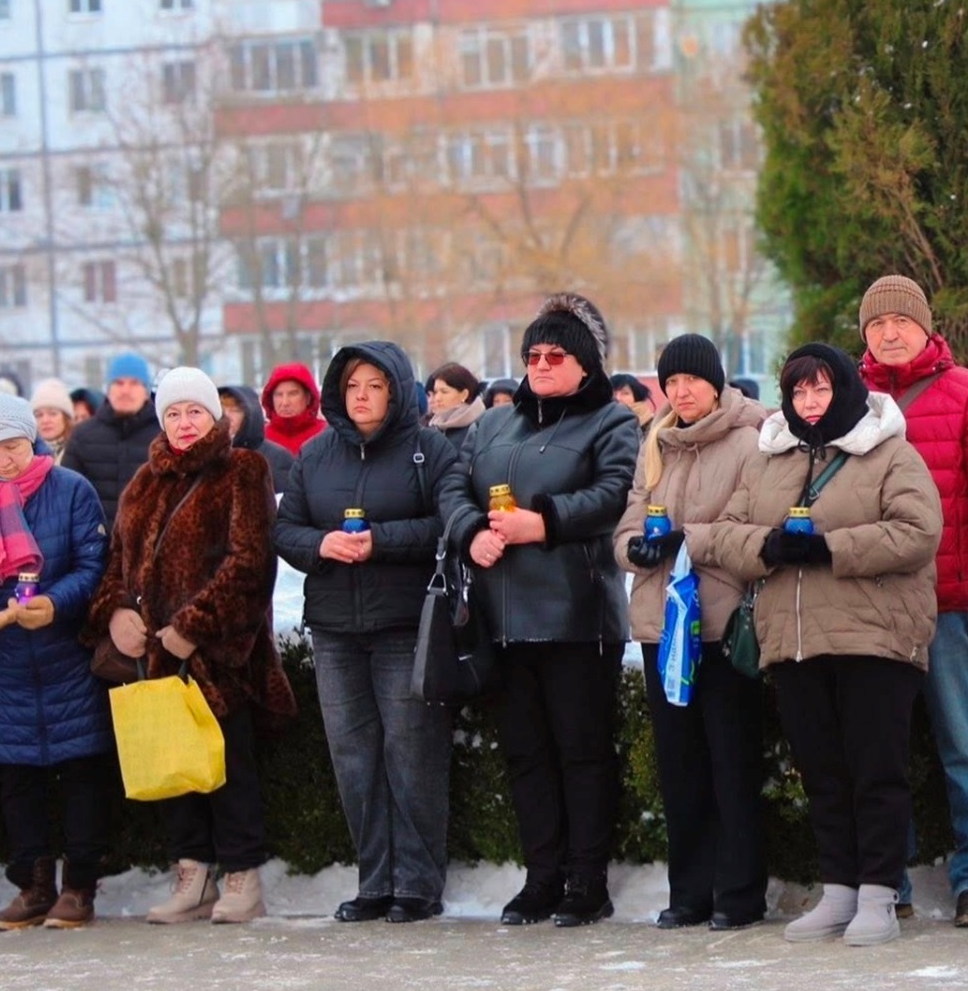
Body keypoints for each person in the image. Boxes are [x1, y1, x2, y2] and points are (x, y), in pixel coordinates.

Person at [705, 344, 942, 947]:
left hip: (874, 635)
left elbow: (919, 532)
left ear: (845, 391)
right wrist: (767, 545)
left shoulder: (890, 450)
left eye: (821, 388)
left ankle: (880, 895)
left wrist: (830, 548)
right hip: (794, 639)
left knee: (876, 769)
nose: (809, 402)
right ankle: (839, 889)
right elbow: (726, 532)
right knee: (822, 770)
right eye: (799, 391)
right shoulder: (768, 458)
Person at [439, 294, 638, 929]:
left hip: (577, 614)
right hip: (502, 614)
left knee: (582, 751)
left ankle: (587, 879)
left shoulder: (611, 420)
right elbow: (453, 484)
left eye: (556, 356)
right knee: (525, 754)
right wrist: (471, 530)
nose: (542, 366)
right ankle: (541, 875)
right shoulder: (495, 423)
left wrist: (543, 522)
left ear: (585, 363)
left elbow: (615, 492)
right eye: (533, 356)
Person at [85, 369, 293, 925]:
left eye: (195, 411)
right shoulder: (143, 482)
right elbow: (115, 563)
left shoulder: (243, 469)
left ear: (215, 416)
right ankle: (192, 875)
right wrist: (116, 613)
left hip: (220, 654)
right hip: (153, 657)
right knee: (172, 767)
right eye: (173, 413)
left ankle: (243, 877)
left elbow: (251, 564)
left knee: (229, 768)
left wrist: (193, 626)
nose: (184, 423)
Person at [856, 274, 968, 926]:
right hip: (872, 606)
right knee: (880, 750)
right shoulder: (850, 399)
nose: (890, 333)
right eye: (877, 324)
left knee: (963, 745)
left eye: (901, 321)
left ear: (926, 328)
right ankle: (887, 880)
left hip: (947, 603)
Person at [276, 344, 458, 924]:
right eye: (352, 385)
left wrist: (381, 540)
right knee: (353, 759)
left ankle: (419, 886)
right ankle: (374, 881)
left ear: (397, 391)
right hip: (334, 628)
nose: (361, 396)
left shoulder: (429, 450)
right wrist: (321, 544)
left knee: (412, 755)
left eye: (375, 385)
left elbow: (446, 523)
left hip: (404, 624)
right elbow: (285, 528)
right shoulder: (315, 453)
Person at [0, 395, 112, 931]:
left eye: (12, 446)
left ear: (32, 440)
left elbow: (94, 566)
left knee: (82, 772)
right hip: (3, 666)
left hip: (68, 656)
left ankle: (79, 887)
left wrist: (55, 603)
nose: (4, 460)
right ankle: (33, 887)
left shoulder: (71, 489)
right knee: (16, 780)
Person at [614, 335, 770, 930]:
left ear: (716, 382)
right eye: (670, 382)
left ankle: (740, 892)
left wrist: (689, 540)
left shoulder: (750, 437)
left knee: (731, 760)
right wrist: (634, 547)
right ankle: (689, 891)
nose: (680, 392)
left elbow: (750, 524)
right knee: (679, 764)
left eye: (691, 380)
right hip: (662, 625)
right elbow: (631, 513)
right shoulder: (656, 439)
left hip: (721, 622)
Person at [62, 353, 161, 532]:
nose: (125, 390)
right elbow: (67, 497)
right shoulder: (82, 436)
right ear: (108, 389)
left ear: (146, 391)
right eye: (119, 383)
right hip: (98, 543)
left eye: (134, 383)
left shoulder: (163, 436)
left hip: (151, 542)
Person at [218, 384, 294, 494]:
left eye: (235, 410)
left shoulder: (278, 458)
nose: (227, 417)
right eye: (222, 410)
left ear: (250, 414)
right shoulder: (208, 454)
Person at [263, 362, 325, 457]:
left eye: (293, 394)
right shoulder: (260, 438)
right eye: (278, 395)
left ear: (308, 397)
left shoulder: (326, 435)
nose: (285, 403)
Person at [425, 363, 486, 456]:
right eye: (436, 392)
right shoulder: (433, 427)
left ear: (464, 394)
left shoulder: (481, 427)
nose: (437, 398)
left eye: (444, 392)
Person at [29, 379, 75, 463]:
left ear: (66, 418)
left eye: (52, 413)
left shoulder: (79, 450)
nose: (45, 420)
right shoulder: (26, 454)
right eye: (39, 415)